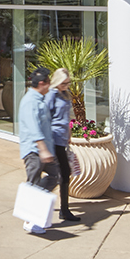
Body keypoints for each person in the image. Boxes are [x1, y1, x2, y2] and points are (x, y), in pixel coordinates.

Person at [16, 67, 55, 234]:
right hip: (34, 151)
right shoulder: (31, 101)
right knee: (33, 184)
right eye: (49, 82)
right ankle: (30, 220)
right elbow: (33, 128)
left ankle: (35, 204)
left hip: (42, 150)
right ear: (42, 83)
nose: (50, 85)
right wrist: (43, 149)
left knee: (56, 175)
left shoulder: (39, 99)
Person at [44, 69, 80, 223]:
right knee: (62, 173)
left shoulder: (65, 94)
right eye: (63, 83)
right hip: (54, 139)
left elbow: (66, 116)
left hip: (62, 138)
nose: (66, 85)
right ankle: (63, 210)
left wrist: (69, 134)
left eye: (68, 83)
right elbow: (45, 116)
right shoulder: (51, 94)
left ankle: (63, 209)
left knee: (63, 173)